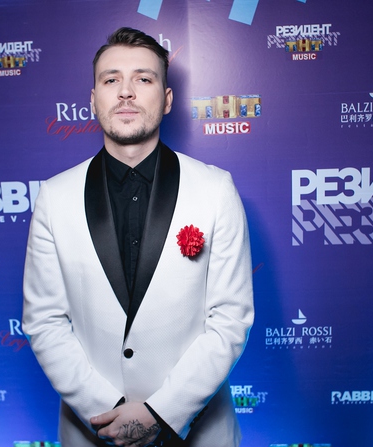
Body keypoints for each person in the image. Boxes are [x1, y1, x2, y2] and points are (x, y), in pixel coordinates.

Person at [22, 27, 254, 447]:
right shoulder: (54, 198)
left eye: (143, 79)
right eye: (111, 79)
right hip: (94, 430)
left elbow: (230, 320)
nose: (126, 92)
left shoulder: (216, 189)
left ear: (167, 99)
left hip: (199, 432)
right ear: (93, 99)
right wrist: (112, 412)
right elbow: (44, 322)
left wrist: (161, 413)